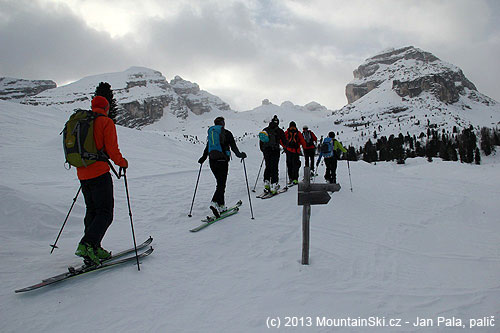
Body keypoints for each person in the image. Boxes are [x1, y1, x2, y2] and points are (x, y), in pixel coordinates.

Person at [75, 96, 128, 265]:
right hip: (99, 172)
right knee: (105, 212)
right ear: (106, 107)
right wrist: (122, 162)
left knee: (92, 210)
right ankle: (87, 244)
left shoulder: (84, 121)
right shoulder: (105, 122)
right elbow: (112, 149)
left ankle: (94, 247)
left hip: (82, 173)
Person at [198, 116, 246, 217]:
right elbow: (233, 147)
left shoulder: (212, 134)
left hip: (212, 161)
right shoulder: (226, 133)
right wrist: (241, 155)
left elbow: (207, 147)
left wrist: (203, 158)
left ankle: (221, 206)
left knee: (220, 183)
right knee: (221, 184)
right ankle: (214, 202)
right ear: (223, 123)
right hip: (222, 161)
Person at [259, 115, 286, 194]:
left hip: (266, 151)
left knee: (268, 166)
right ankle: (274, 185)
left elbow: (261, 141)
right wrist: (286, 148)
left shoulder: (265, 130)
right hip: (275, 150)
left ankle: (266, 183)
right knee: (274, 166)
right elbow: (284, 141)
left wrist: (263, 150)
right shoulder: (279, 131)